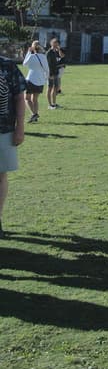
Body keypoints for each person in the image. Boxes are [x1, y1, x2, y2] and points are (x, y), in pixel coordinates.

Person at [0, 55, 26, 238]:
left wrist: (20, 128)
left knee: (0, 175)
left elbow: (19, 97)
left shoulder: (7, 66)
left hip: (4, 130)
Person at [23, 41, 49, 123]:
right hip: (40, 81)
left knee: (27, 98)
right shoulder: (44, 57)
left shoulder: (31, 56)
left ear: (33, 48)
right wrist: (45, 79)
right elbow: (47, 69)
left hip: (31, 79)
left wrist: (28, 52)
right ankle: (35, 115)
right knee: (35, 99)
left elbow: (24, 63)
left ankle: (34, 114)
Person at [46, 39, 62, 108]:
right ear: (51, 44)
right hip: (51, 73)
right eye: (55, 43)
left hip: (56, 72)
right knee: (49, 88)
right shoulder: (49, 52)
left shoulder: (55, 52)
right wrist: (50, 74)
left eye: (57, 43)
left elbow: (61, 57)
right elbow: (48, 64)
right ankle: (50, 105)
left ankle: (54, 103)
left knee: (55, 88)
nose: (56, 45)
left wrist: (59, 50)